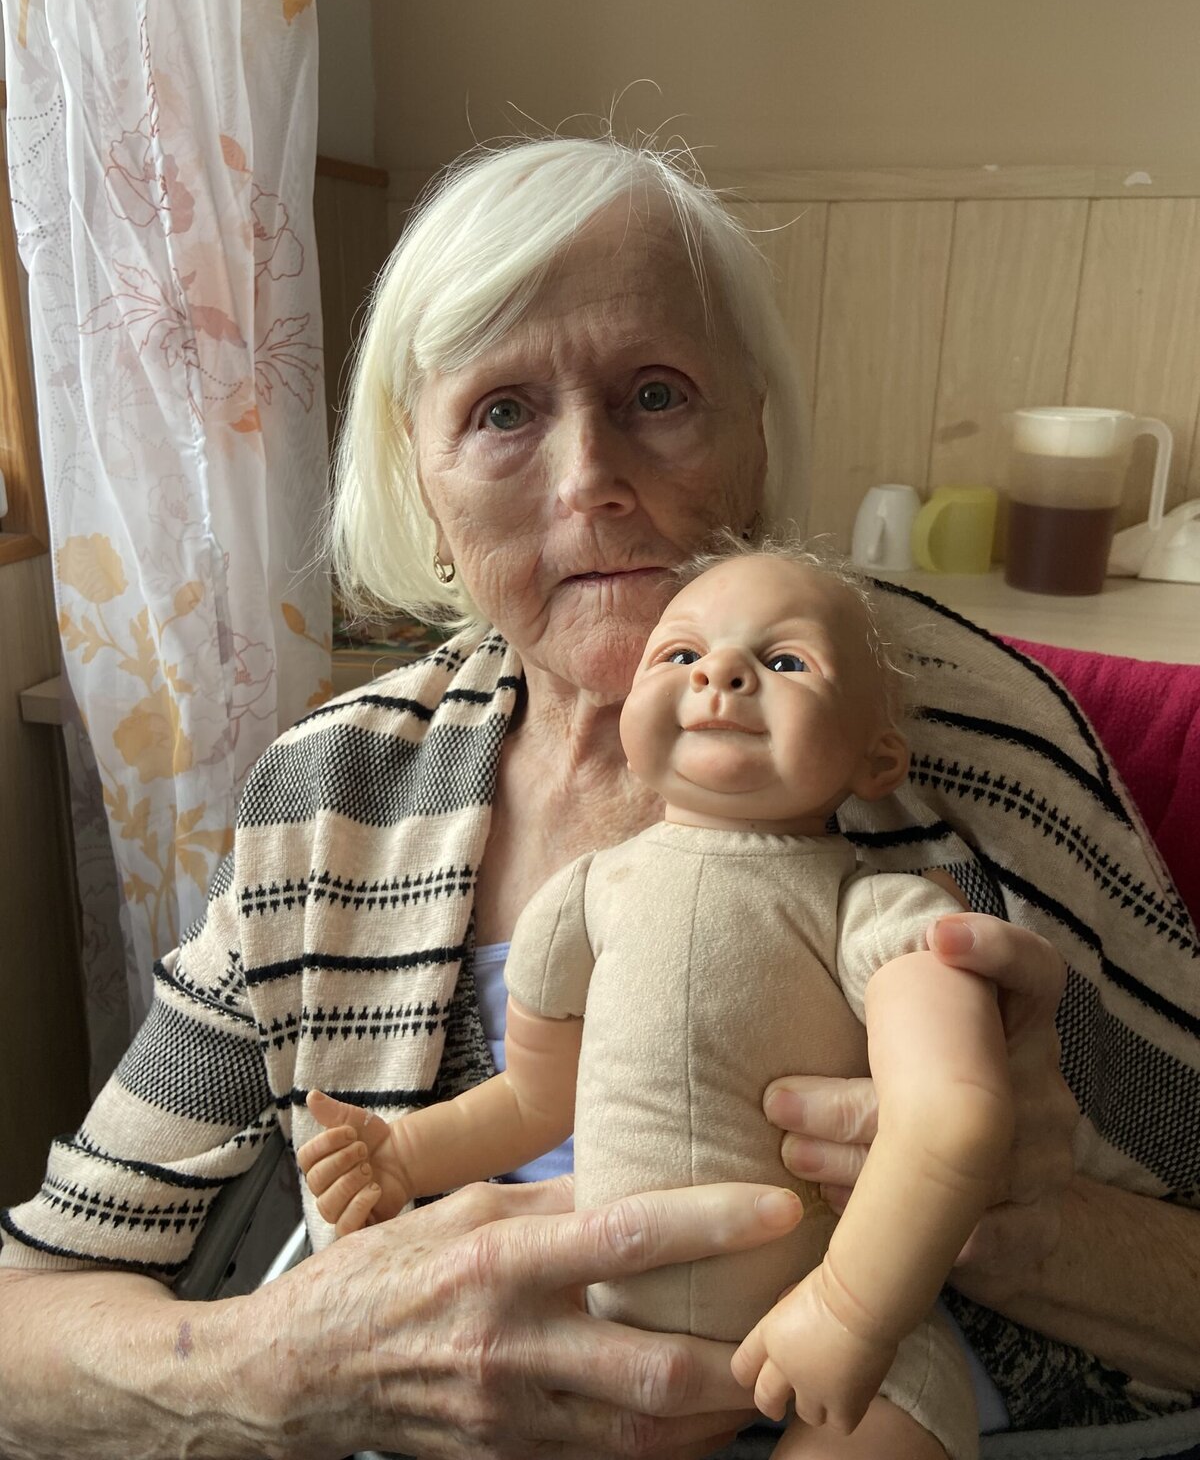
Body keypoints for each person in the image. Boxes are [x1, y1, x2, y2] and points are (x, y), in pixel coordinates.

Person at [0, 135, 1195, 1460]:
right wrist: (283, 1366)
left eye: (658, 393)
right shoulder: (333, 798)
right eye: (502, 413)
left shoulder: (959, 739)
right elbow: (30, 1308)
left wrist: (1004, 1219)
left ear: (754, 434)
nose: (588, 481)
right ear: (421, 484)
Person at [300, 542, 1016, 1460]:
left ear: (877, 760)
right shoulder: (583, 899)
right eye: (680, 654)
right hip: (600, 1331)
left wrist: (847, 1312)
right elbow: (534, 1100)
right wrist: (405, 1153)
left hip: (834, 1329)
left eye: (785, 661)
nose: (721, 673)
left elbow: (951, 1116)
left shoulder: (878, 912)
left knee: (894, 1419)